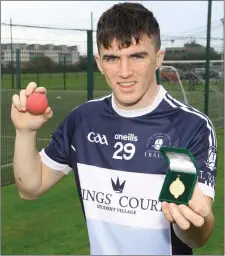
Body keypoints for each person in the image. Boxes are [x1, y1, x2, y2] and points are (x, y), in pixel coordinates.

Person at [11, 2, 217, 255]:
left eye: (137, 56)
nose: (124, 72)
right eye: (112, 58)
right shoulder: (82, 120)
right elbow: (30, 188)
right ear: (99, 62)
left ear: (158, 58)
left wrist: (191, 219)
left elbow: (198, 238)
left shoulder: (190, 126)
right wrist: (25, 132)